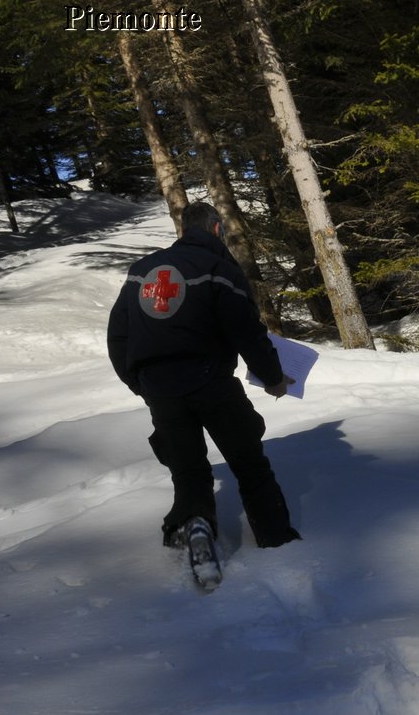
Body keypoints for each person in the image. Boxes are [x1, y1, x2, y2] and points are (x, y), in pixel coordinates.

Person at [107, 200, 300, 550]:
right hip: (210, 380)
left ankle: (194, 524)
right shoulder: (218, 268)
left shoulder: (142, 271)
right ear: (215, 228)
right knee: (249, 464)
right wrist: (272, 376)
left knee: (188, 471)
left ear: (184, 229)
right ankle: (277, 542)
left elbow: (118, 336)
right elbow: (246, 331)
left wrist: (141, 383)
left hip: (160, 390)